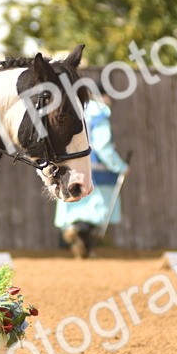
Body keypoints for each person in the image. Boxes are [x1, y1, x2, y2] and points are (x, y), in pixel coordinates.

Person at [54, 94, 129, 259]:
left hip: (71, 171)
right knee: (95, 213)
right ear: (104, 95)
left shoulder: (73, 111)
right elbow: (103, 147)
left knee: (77, 210)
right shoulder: (100, 114)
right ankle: (82, 236)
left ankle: (77, 239)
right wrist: (120, 167)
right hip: (97, 173)